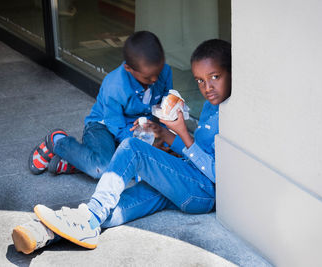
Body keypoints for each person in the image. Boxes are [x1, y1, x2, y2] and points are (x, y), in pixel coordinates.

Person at [12, 39, 231, 253]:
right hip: (185, 179)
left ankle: (89, 217)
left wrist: (182, 132)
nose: (207, 87)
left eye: (215, 77)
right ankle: (50, 232)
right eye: (200, 81)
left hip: (201, 192)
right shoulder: (211, 105)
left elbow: (217, 174)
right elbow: (196, 152)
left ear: (232, 72)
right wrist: (163, 132)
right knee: (124, 204)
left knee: (132, 148)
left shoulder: (233, 115)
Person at [28, 31, 172, 178]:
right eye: (148, 77)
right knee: (103, 168)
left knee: (168, 153)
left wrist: (164, 137)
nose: (155, 79)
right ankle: (58, 141)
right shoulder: (115, 86)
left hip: (137, 128)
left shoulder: (165, 71)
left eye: (158, 73)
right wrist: (144, 145)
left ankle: (74, 162)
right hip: (104, 126)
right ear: (128, 69)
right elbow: (117, 127)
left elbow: (165, 108)